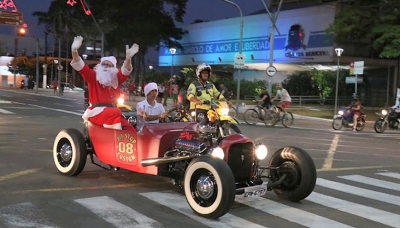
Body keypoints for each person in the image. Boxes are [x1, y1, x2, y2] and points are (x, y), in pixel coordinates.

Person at [70, 35, 139, 130]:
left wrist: (128, 58)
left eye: (109, 65)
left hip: (113, 113)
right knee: (115, 112)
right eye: (104, 64)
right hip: (96, 112)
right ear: (100, 66)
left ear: (114, 68)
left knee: (131, 131)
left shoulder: (116, 78)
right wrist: (74, 51)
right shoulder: (93, 76)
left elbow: (125, 70)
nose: (106, 67)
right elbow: (80, 65)